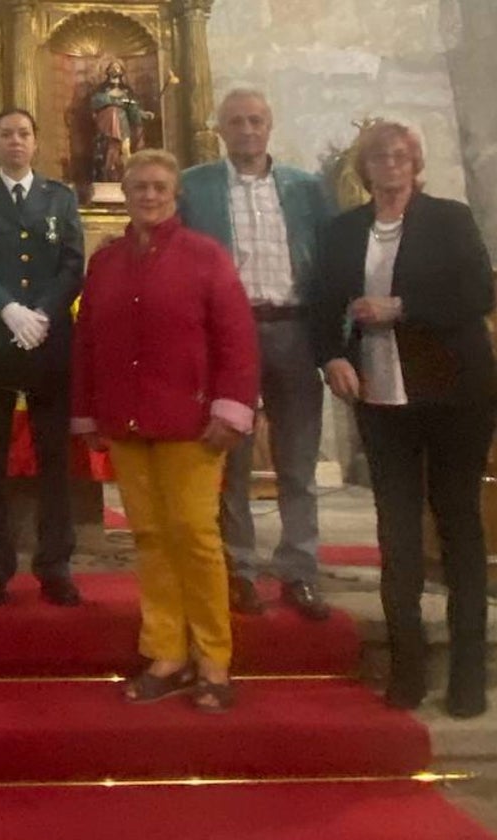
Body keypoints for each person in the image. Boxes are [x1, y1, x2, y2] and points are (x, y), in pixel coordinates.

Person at [317, 121, 496, 719]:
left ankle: (468, 675)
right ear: (364, 168)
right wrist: (333, 356)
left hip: (453, 394)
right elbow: (323, 305)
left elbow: (478, 291)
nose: (390, 165)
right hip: (380, 396)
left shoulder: (449, 218)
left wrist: (400, 307)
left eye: (401, 156)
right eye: (379, 157)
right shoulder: (345, 231)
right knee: (395, 530)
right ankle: (407, 667)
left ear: (414, 164)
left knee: (457, 524)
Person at [72, 149, 258, 712]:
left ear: (175, 194)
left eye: (158, 187)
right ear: (124, 195)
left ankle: (214, 659)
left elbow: (236, 338)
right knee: (150, 537)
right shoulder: (105, 263)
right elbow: (87, 344)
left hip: (193, 424)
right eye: (139, 188)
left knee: (196, 538)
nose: (148, 196)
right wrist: (87, 414)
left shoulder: (206, 257)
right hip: (128, 421)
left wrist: (231, 409)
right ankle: (166, 651)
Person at [178, 89, 332, 620]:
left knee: (298, 460)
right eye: (237, 121)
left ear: (270, 126)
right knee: (231, 459)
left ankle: (300, 570)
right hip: (229, 334)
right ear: (220, 129)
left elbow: (329, 261)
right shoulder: (195, 186)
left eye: (256, 120)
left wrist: (336, 339)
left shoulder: (307, 188)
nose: (247, 130)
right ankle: (239, 570)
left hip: (293, 327)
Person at [0, 107, 85, 608]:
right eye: (6, 133)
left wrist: (42, 313)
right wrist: (9, 310)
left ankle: (55, 565)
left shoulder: (60, 197)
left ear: (36, 142)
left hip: (49, 342)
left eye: (23, 133)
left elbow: (73, 263)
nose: (15, 141)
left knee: (54, 461)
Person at [90, 60, 151, 183]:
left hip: (123, 124)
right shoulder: (101, 90)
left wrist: (143, 114)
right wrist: (115, 103)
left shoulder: (127, 91)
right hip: (106, 126)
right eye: (113, 67)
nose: (115, 69)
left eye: (118, 67)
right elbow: (95, 103)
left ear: (122, 71)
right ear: (107, 71)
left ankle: (126, 177)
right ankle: (108, 176)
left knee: (125, 150)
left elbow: (133, 108)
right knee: (110, 151)